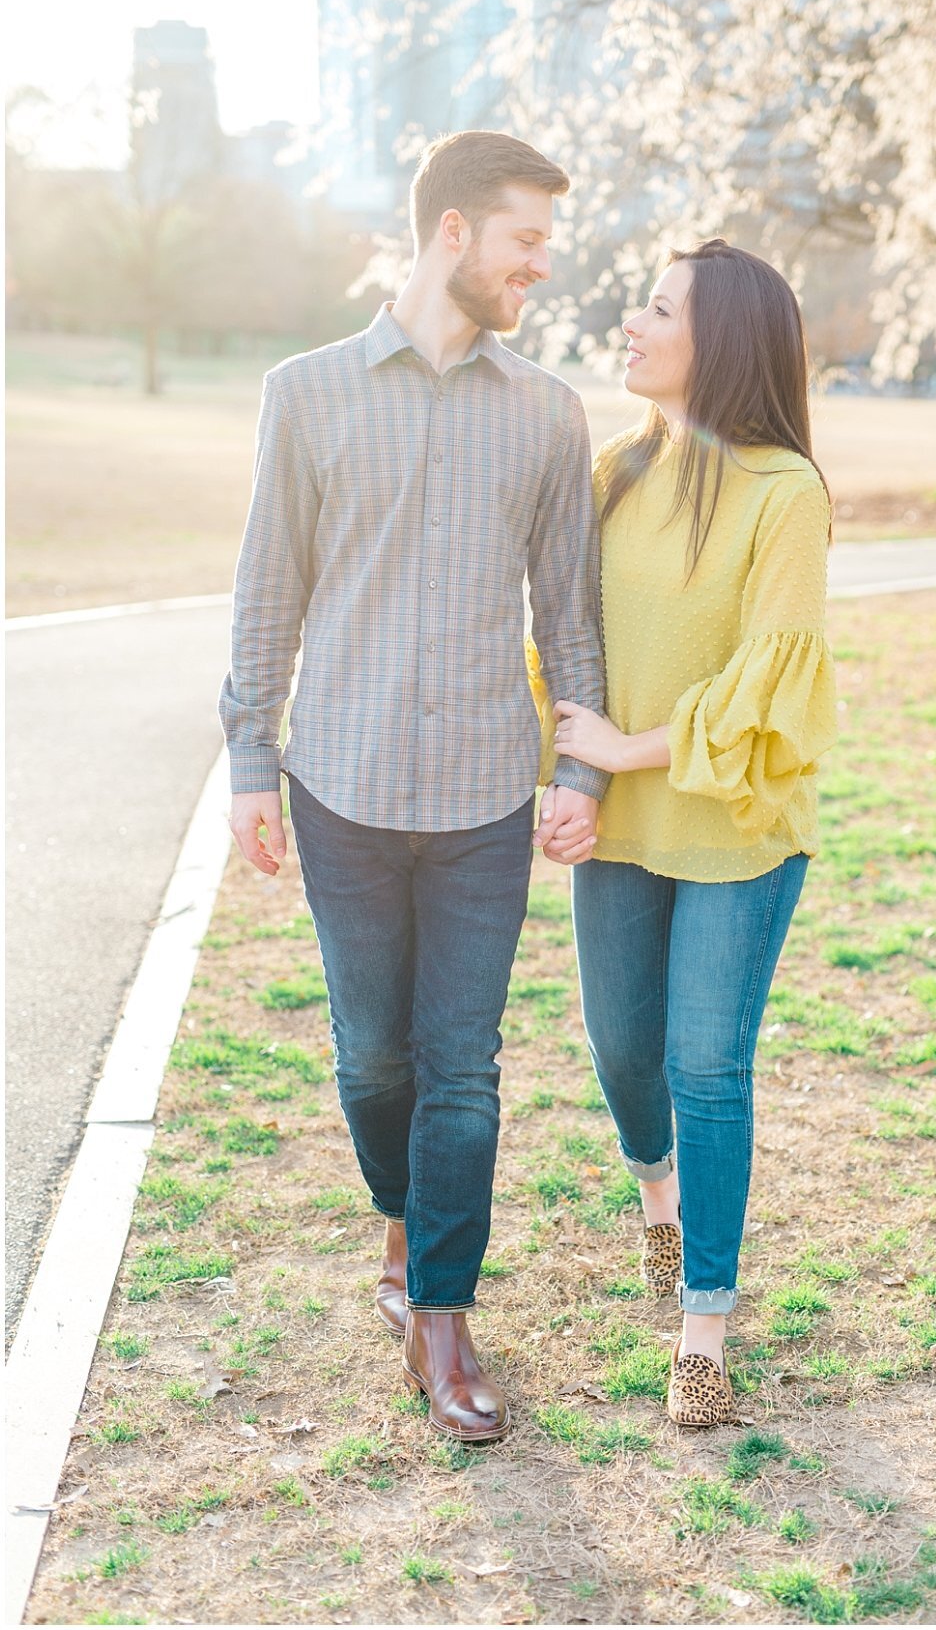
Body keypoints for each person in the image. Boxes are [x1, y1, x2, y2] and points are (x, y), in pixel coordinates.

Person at [219, 130, 607, 1443]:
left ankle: (442, 1312)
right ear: (453, 233)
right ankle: (399, 1228)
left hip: (487, 795)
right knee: (373, 1053)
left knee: (463, 1064)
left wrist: (573, 760)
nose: (540, 269)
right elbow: (269, 586)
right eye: (526, 242)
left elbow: (572, 610)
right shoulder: (308, 393)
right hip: (339, 780)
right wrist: (247, 766)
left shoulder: (551, 411)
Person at [543, 239, 837, 1427]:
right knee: (623, 1053)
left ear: (716, 341)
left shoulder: (786, 493)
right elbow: (575, 651)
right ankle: (657, 1200)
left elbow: (773, 685)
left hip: (738, 826)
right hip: (619, 823)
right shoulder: (612, 470)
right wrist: (578, 773)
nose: (631, 322)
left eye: (657, 308)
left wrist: (628, 749)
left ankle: (703, 1322)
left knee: (705, 1065)